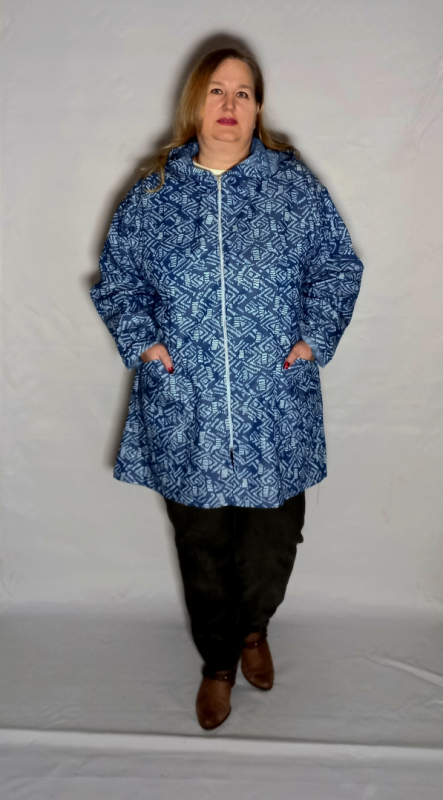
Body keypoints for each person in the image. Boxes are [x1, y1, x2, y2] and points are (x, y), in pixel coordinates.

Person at [90, 46, 364, 731]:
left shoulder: (292, 188)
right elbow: (118, 279)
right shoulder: (155, 194)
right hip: (188, 405)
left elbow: (337, 267)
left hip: (274, 402)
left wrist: (312, 340)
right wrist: (147, 345)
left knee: (274, 542)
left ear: (258, 107)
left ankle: (253, 629)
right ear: (196, 102)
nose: (230, 104)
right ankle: (217, 663)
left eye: (243, 92)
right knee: (203, 547)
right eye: (217, 90)